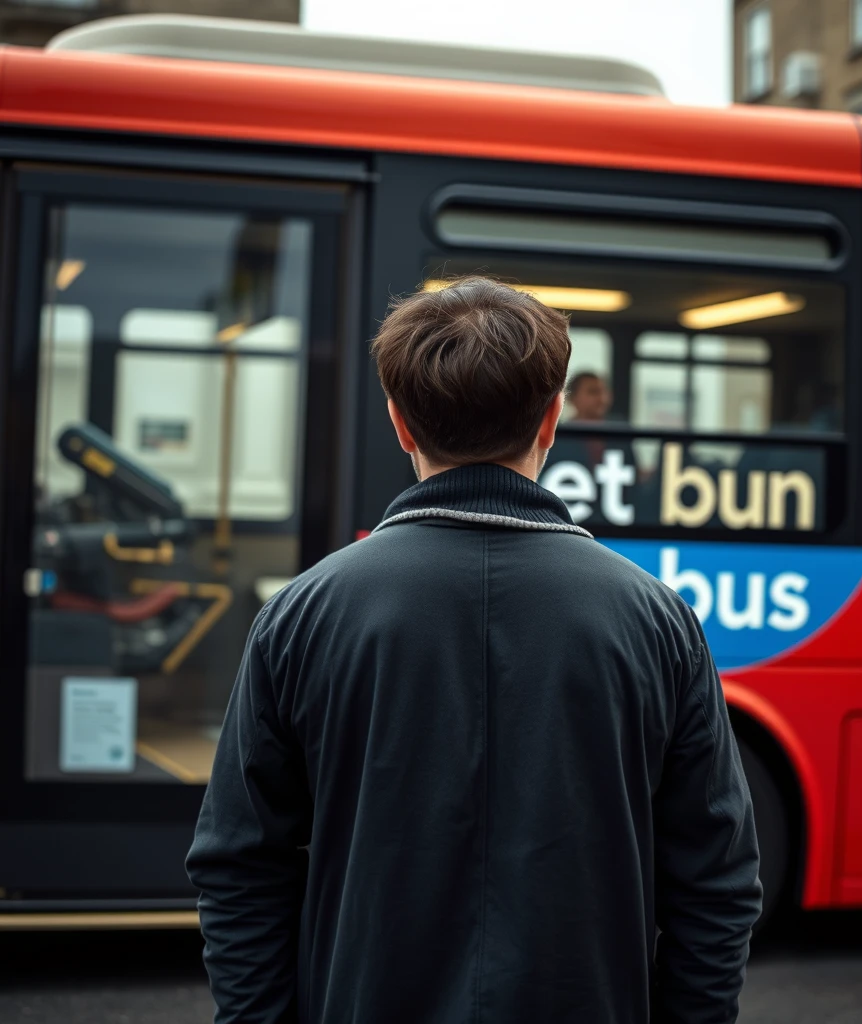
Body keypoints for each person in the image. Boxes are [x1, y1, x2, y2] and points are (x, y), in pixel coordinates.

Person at [187, 277, 762, 1024]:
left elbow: (238, 867)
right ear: (552, 418)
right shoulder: (657, 619)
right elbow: (717, 881)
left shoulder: (302, 613)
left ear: (400, 424)